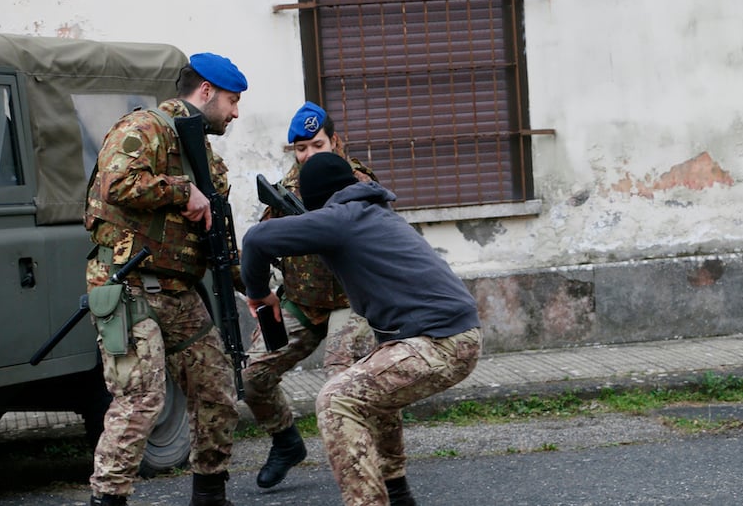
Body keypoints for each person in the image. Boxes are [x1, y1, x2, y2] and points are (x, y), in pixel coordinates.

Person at [240, 152, 483, 506]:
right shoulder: (374, 212)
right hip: (449, 335)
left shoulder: (343, 219)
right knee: (375, 396)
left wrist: (260, 295)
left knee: (337, 400)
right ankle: (398, 494)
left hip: (440, 341)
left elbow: (256, 240)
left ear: (315, 201)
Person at [83, 52, 248, 506]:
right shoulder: (146, 128)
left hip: (178, 290)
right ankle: (108, 498)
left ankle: (210, 494)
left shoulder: (206, 158)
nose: (236, 113)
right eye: (233, 101)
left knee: (217, 390)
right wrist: (181, 190)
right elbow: (115, 185)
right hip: (127, 285)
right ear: (206, 91)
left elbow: (218, 238)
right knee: (142, 397)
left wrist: (253, 289)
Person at [241, 101, 377, 489]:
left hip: (349, 301)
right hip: (300, 300)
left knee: (341, 385)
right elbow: (262, 242)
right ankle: (286, 443)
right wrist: (258, 292)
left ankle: (361, 466)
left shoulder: (357, 182)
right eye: (301, 149)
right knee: (253, 376)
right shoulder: (284, 190)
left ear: (335, 141)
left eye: (317, 145)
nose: (309, 155)